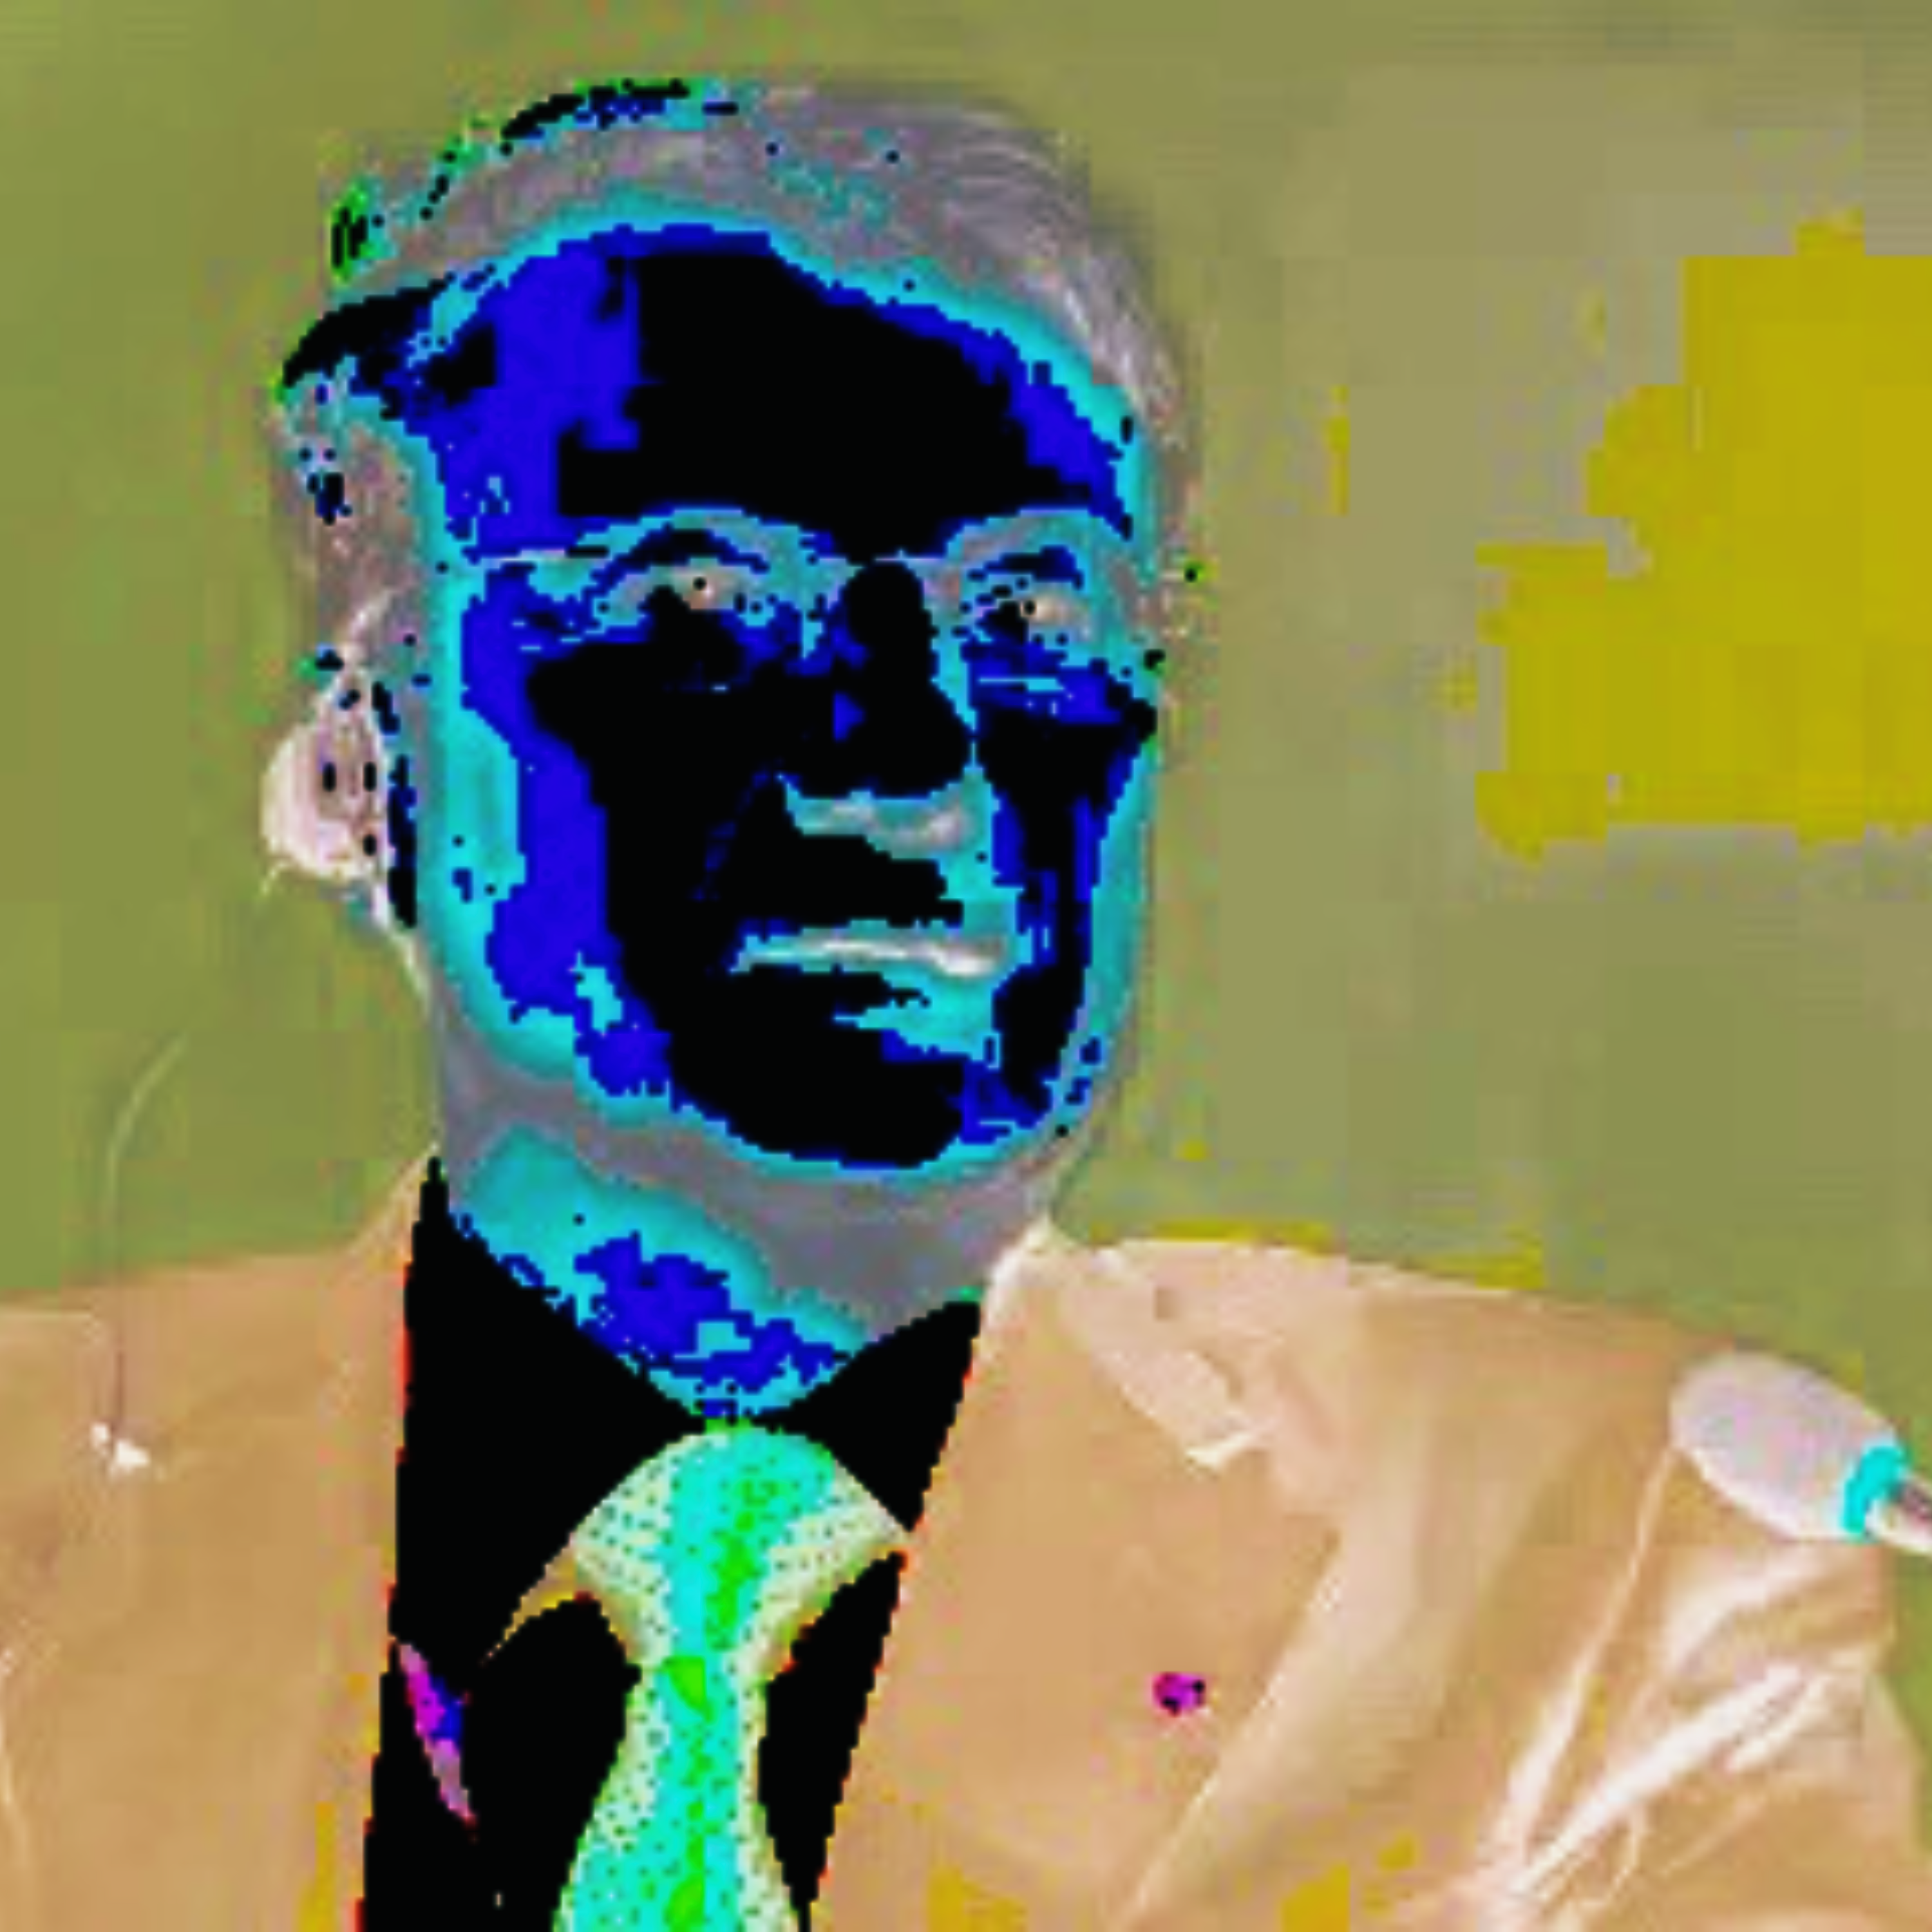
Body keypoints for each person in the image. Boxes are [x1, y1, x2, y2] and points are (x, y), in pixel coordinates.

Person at [1, 73, 1928, 1929]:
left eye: (1030, 615)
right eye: (698, 601)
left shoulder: (1598, 1560)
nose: (917, 749)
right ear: (368, 766)